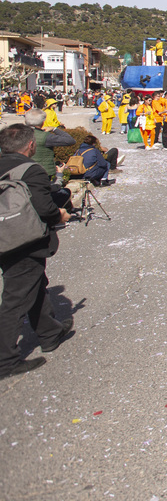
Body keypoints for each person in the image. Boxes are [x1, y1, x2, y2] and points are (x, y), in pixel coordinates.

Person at [0, 124, 73, 379]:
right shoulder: (30, 171)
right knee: (15, 298)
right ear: (31, 145)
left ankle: (50, 333)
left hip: (4, 236)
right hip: (25, 239)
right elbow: (44, 209)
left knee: (35, 283)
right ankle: (5, 360)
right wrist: (61, 214)